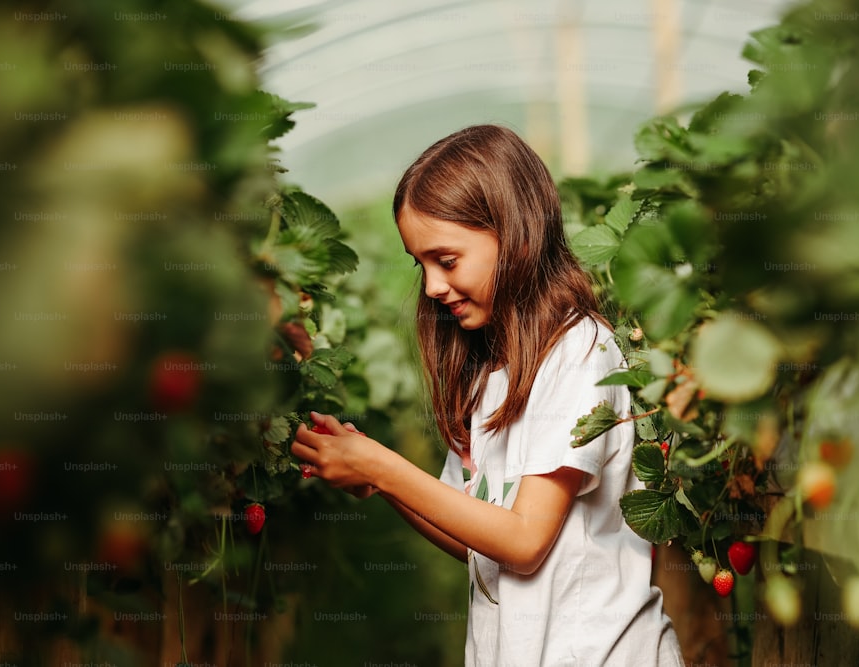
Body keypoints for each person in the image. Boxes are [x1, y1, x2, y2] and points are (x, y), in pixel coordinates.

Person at [291, 124, 684, 666]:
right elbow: (478, 540)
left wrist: (383, 467)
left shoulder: (578, 352)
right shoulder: (486, 370)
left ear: (515, 234)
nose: (430, 286)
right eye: (420, 264)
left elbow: (524, 542)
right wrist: (382, 483)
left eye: (446, 260)